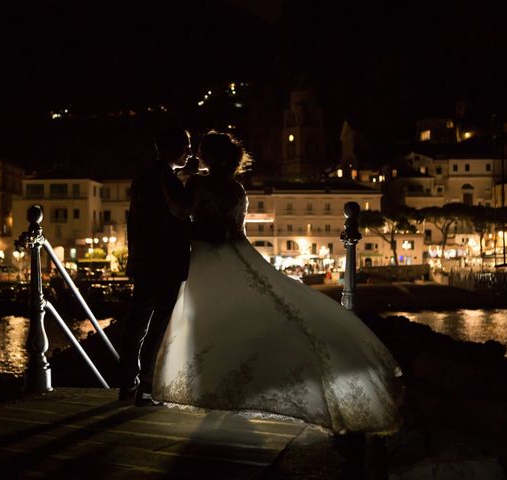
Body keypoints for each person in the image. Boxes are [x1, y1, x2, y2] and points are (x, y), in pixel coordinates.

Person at [152, 131, 402, 434]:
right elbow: (234, 227)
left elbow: (180, 210)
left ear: (209, 156)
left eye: (201, 150)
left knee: (204, 322)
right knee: (248, 315)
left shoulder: (198, 183)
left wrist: (169, 176)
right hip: (237, 254)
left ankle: (211, 386)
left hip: (205, 257)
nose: (197, 153)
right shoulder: (235, 189)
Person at [119, 127, 193, 406]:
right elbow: (181, 215)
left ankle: (127, 383)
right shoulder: (169, 180)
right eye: (185, 145)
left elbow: (133, 223)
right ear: (169, 148)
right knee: (159, 324)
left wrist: (133, 257)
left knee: (136, 324)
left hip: (146, 260)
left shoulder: (142, 179)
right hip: (169, 262)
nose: (189, 151)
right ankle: (146, 387)